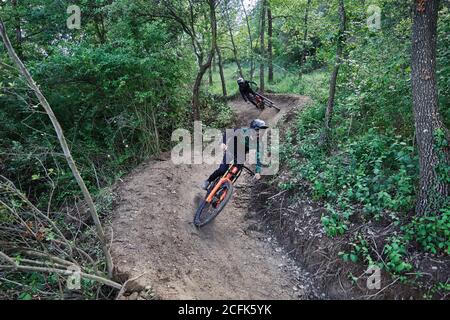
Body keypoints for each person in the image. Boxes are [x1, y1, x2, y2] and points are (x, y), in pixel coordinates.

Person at [201, 119, 268, 190]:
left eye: (262, 131)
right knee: (222, 170)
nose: (260, 133)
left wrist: (257, 172)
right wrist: (223, 143)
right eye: (258, 130)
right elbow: (228, 133)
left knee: (234, 174)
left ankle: (224, 191)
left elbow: (259, 157)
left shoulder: (260, 143)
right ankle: (208, 181)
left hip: (241, 155)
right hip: (231, 150)